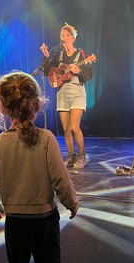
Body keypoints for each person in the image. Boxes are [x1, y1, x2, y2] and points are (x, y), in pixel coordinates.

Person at [0, 71, 78, 263]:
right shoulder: (46, 139)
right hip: (44, 219)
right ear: (37, 105)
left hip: (15, 220)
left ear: (2, 107)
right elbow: (60, 178)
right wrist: (71, 202)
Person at [40, 22, 93, 169]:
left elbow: (89, 74)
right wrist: (46, 57)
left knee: (75, 126)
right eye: (62, 35)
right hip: (62, 93)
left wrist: (79, 72)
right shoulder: (59, 55)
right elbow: (47, 72)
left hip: (77, 92)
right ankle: (71, 156)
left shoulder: (81, 54)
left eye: (67, 35)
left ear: (73, 37)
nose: (64, 37)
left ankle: (82, 156)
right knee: (66, 129)